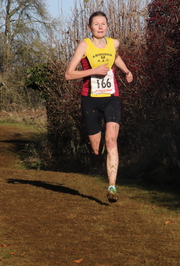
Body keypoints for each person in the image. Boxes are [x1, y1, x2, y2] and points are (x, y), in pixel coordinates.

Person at [65, 11, 133, 203]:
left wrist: (126, 71)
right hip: (90, 100)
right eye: (96, 24)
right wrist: (94, 71)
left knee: (112, 141)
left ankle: (112, 187)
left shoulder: (114, 43)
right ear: (90, 28)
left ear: (107, 26)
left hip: (111, 98)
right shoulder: (84, 45)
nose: (100, 26)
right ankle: (99, 146)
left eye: (103, 23)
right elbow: (69, 74)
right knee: (97, 148)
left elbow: (115, 57)